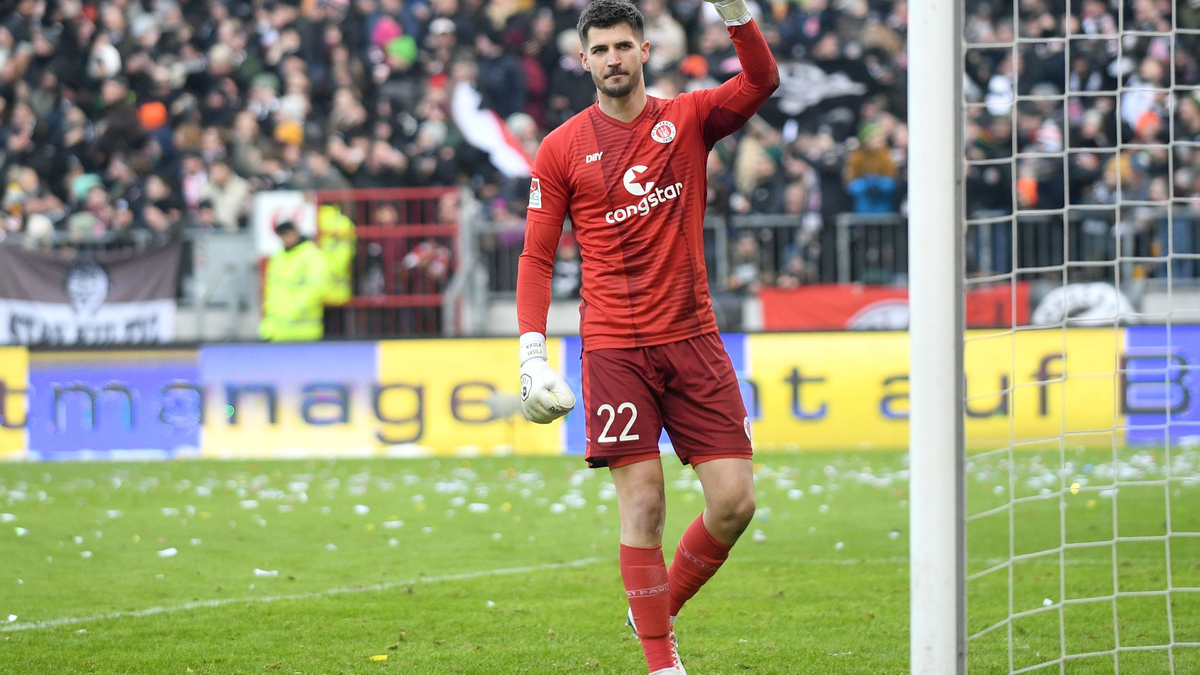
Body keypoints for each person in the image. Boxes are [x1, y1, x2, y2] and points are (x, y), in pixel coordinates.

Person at [514, 1, 778, 674]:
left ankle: (654, 609)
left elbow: (761, 81)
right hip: (615, 348)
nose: (613, 59)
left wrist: (736, 14)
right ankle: (663, 663)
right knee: (645, 505)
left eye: (623, 46)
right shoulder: (561, 148)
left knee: (735, 502)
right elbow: (536, 256)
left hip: (694, 337)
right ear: (583, 60)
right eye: (600, 49)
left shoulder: (688, 119)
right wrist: (531, 351)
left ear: (644, 51)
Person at [259, 221, 333, 342]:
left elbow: (318, 288)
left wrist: (295, 309)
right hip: (275, 331)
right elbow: (271, 290)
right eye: (282, 235)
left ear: (296, 232)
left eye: (288, 234)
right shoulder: (278, 257)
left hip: (303, 332)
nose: (285, 238)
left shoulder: (312, 255)